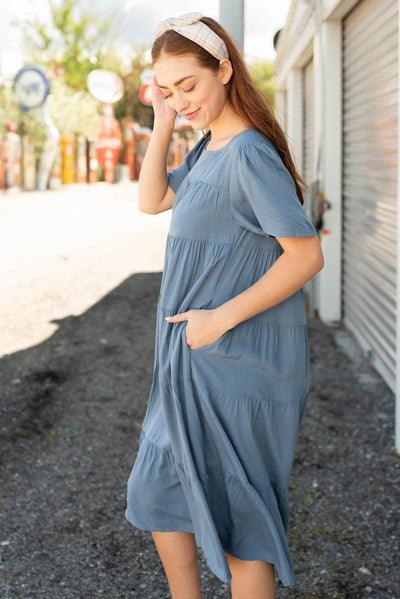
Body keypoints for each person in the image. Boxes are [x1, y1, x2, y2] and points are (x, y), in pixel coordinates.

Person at [126, 12, 324, 599]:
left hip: (234, 356)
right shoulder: (213, 144)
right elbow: (153, 198)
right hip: (192, 355)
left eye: (188, 85)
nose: (181, 99)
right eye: (167, 89)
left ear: (225, 69)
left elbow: (305, 256)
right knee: (159, 493)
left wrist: (219, 318)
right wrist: (164, 120)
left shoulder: (249, 155)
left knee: (242, 528)